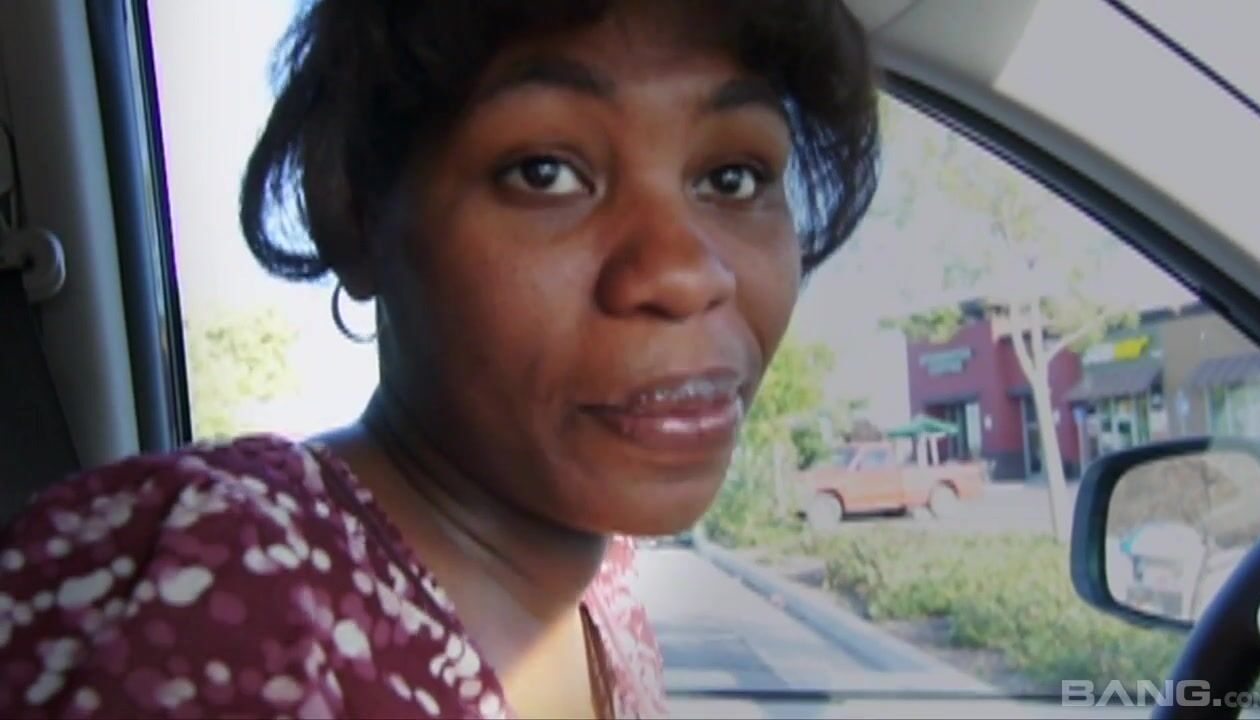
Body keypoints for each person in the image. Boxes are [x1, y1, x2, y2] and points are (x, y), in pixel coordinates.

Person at [0, 0, 879, 717]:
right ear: (353, 214)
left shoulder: (602, 590)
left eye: (732, 178)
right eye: (544, 171)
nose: (685, 273)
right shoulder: (211, 587)